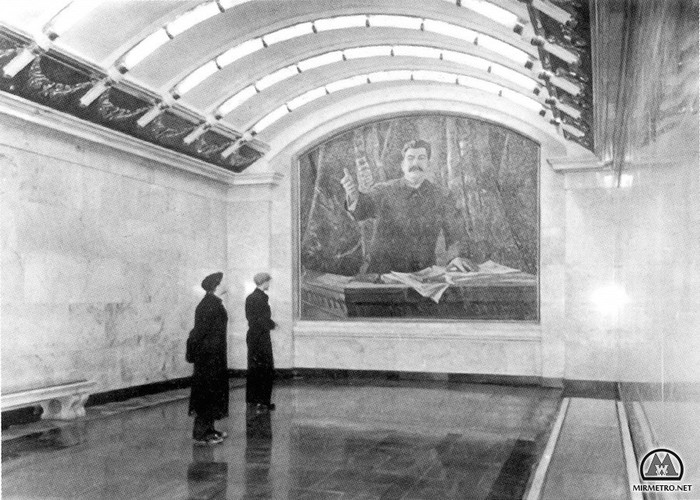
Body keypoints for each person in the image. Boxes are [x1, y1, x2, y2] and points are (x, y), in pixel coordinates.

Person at [341, 139, 465, 274]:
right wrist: (353, 195)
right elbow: (361, 210)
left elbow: (456, 233)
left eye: (421, 158)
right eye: (410, 158)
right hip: (383, 275)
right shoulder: (384, 191)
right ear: (402, 165)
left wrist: (456, 257)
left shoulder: (442, 196)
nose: (415, 164)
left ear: (428, 164)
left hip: (424, 275)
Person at [188, 272, 229, 446]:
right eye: (223, 282)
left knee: (212, 392)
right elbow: (200, 332)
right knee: (206, 393)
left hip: (214, 355)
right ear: (216, 286)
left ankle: (209, 429)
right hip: (208, 357)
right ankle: (201, 433)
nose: (226, 285)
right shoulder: (208, 305)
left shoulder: (213, 303)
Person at [245, 272, 277, 411]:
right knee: (265, 369)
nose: (269, 284)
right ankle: (263, 401)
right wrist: (272, 325)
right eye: (268, 282)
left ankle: (252, 399)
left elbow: (252, 318)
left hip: (252, 336)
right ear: (264, 282)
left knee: (253, 368)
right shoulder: (262, 298)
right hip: (262, 337)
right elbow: (263, 319)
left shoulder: (250, 297)